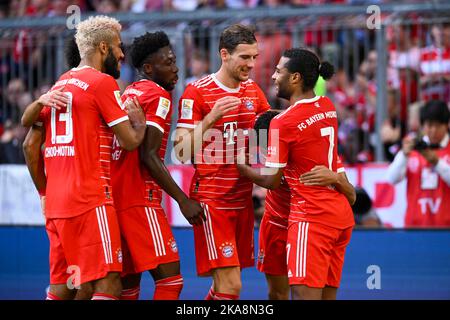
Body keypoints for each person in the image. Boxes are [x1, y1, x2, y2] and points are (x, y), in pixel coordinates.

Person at [21, 15, 146, 300]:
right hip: (89, 200)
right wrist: (139, 126)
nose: (121, 53)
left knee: (69, 284)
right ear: (103, 48)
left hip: (55, 202)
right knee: (109, 282)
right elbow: (128, 143)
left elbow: (30, 145)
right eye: (117, 46)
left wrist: (44, 191)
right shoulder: (102, 83)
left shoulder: (60, 84)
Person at [236, 48, 355, 300]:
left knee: (297, 296)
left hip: (310, 218)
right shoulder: (327, 106)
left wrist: (243, 167)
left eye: (279, 71)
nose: (274, 76)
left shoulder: (284, 123)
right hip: (339, 216)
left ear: (295, 78)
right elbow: (305, 129)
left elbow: (271, 180)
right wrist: (335, 179)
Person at [174, 24, 271, 300]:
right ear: (224, 54)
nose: (251, 64)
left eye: (254, 57)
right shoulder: (197, 92)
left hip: (242, 202)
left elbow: (268, 138)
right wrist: (211, 119)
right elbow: (180, 151)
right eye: (245, 57)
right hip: (213, 203)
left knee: (223, 288)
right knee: (231, 286)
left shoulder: (253, 91)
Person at [110, 31, 204, 300]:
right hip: (140, 198)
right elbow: (149, 155)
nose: (176, 68)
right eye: (169, 62)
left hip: (116, 198)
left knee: (128, 286)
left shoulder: (128, 93)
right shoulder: (158, 95)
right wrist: (182, 200)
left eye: (175, 61)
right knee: (170, 281)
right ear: (149, 68)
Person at [387, 100, 450, 227]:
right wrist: (403, 155)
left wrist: (437, 162)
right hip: (414, 227)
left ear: (446, 125)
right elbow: (391, 179)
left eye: (437, 126)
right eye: (429, 125)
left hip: (446, 228)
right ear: (422, 126)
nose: (432, 130)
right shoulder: (414, 148)